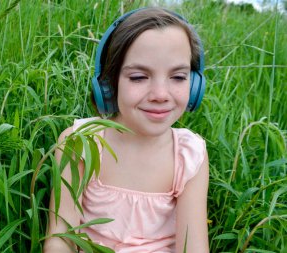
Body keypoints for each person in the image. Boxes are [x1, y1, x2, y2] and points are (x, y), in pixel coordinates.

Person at [44, 6, 209, 253]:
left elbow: (192, 248)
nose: (160, 95)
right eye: (139, 77)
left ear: (194, 85)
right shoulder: (81, 142)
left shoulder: (189, 155)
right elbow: (60, 238)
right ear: (109, 84)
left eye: (178, 77)